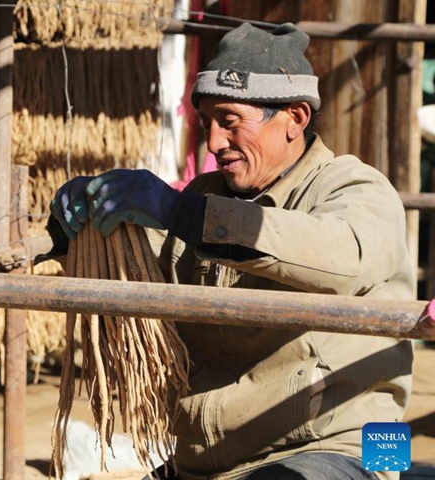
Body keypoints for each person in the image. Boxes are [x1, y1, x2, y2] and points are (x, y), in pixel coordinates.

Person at [45, 23, 413, 480]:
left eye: (230, 121)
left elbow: (343, 259)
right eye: (206, 124)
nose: (214, 143)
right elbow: (136, 263)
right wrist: (76, 230)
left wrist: (183, 213)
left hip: (344, 449)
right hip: (210, 460)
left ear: (295, 118)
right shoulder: (202, 197)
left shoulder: (357, 188)